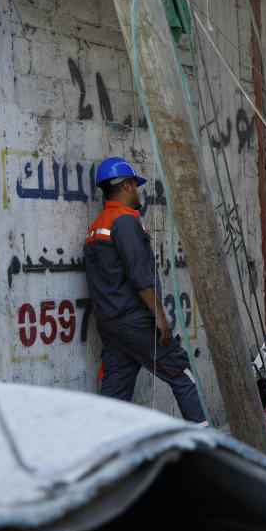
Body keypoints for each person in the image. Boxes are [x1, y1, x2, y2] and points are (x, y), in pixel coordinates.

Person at [83, 157, 205, 422]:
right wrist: (159, 317)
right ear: (126, 186)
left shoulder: (95, 228)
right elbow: (139, 274)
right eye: (136, 186)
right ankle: (206, 447)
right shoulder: (125, 220)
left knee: (115, 392)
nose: (139, 193)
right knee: (181, 373)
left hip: (111, 325)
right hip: (136, 322)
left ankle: (103, 453)